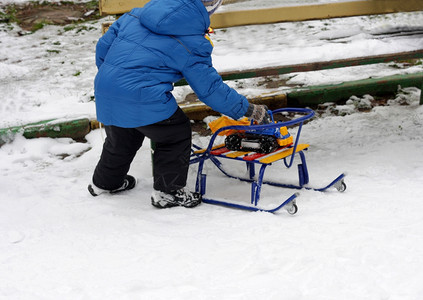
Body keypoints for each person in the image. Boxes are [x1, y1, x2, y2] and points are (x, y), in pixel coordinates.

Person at [88, 0, 270, 208]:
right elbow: (210, 89)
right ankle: (168, 193)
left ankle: (104, 183)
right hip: (141, 94)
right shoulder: (193, 40)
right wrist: (246, 109)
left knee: (123, 136)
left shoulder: (135, 15)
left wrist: (115, 78)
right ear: (208, 9)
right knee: (174, 133)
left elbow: (103, 46)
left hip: (106, 87)